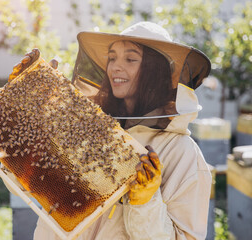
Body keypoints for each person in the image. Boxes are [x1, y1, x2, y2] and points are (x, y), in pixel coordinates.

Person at [34, 21, 212, 239]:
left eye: (130, 59)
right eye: (112, 58)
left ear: (155, 70)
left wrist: (145, 203)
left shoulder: (183, 154)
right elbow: (32, 181)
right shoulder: (91, 133)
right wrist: (30, 107)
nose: (115, 67)